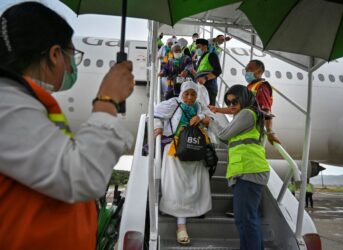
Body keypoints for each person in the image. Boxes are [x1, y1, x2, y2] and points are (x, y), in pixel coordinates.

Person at [0, 2, 134, 249]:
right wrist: (107, 101)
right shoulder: (6, 104)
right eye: (72, 55)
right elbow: (81, 176)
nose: (72, 67)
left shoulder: (25, 102)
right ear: (54, 54)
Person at [154, 81, 213, 245]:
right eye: (186, 93)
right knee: (177, 188)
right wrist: (158, 127)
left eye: (193, 94)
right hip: (175, 150)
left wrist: (200, 117)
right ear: (181, 94)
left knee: (194, 186)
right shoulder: (173, 103)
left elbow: (212, 119)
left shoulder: (199, 106)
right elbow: (155, 113)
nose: (189, 97)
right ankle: (181, 227)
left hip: (195, 150)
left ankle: (193, 210)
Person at [212, 85, 270, 250]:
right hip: (247, 171)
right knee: (249, 219)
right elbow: (227, 140)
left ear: (244, 98)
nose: (231, 105)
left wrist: (211, 122)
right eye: (228, 102)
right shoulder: (247, 115)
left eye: (234, 101)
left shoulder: (246, 113)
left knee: (245, 220)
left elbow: (223, 135)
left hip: (249, 171)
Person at [194, 38, 222, 106]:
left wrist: (205, 78)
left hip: (209, 87)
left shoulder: (211, 55)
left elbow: (218, 70)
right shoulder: (201, 59)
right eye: (196, 47)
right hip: (201, 86)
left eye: (199, 46)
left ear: (205, 46)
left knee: (209, 110)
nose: (197, 49)